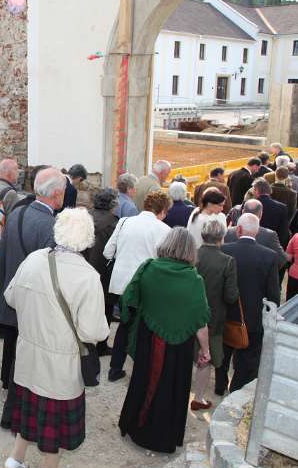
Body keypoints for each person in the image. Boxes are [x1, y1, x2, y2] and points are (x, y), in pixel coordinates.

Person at [2, 208, 110, 468]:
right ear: (88, 240)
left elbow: (11, 297)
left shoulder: (34, 259)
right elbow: (92, 331)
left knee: (28, 407)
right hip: (61, 363)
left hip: (28, 354)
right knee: (53, 416)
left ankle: (15, 459)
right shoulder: (87, 276)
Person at [117, 227, 210, 454]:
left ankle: (133, 426)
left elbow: (129, 298)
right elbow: (200, 321)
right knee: (171, 388)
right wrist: (205, 350)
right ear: (190, 251)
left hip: (148, 337)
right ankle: (161, 438)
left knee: (142, 380)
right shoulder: (194, 279)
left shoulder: (148, 268)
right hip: (178, 346)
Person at [0, 167, 65, 428]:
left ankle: (6, 382)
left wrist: (4, 291)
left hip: (12, 294)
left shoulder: (17, 213)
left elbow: (1, 257)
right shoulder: (51, 226)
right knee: (24, 360)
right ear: (57, 194)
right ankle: (15, 410)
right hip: (32, 304)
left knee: (12, 347)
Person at [104, 191, 172, 382]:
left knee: (125, 325)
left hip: (121, 283)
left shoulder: (124, 221)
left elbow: (107, 251)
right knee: (143, 328)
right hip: (145, 283)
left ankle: (115, 368)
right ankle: (141, 370)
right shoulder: (164, 229)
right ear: (163, 210)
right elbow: (163, 261)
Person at [217, 214, 280, 394]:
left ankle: (220, 385)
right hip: (253, 316)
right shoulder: (269, 256)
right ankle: (237, 387)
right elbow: (273, 293)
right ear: (258, 232)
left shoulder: (224, 250)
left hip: (226, 311)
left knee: (223, 351)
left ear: (238, 229)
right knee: (248, 356)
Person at [192, 220, 238, 411]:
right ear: (222, 237)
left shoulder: (191, 254)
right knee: (205, 357)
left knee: (188, 353)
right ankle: (199, 398)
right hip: (213, 317)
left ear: (203, 235)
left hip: (189, 313)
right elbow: (231, 295)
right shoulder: (228, 261)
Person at [82, 188, 119, 361]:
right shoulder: (114, 222)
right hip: (105, 271)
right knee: (106, 308)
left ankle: (86, 343)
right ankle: (102, 344)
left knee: (85, 307)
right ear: (112, 204)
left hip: (84, 267)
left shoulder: (86, 217)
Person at [224, 199, 288, 269]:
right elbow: (281, 259)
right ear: (261, 214)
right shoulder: (270, 235)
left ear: (242, 212)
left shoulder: (228, 232)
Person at [251, 178, 290, 249]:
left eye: (253, 189)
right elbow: (283, 232)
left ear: (257, 191)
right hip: (273, 246)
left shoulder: (249, 205)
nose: (252, 192)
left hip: (253, 246)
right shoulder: (282, 207)